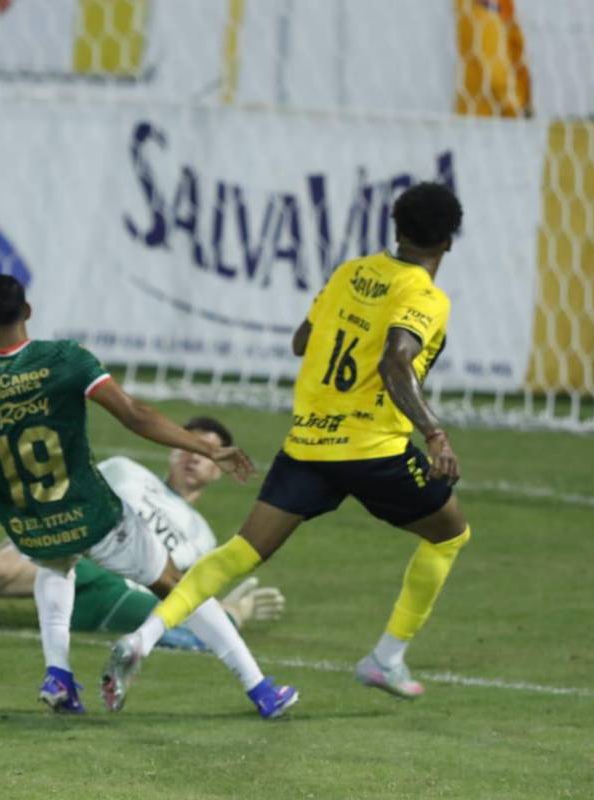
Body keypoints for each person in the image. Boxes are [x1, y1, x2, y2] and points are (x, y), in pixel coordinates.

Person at [104, 182, 470, 707]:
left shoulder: (351, 272)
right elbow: (396, 359)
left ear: (396, 228)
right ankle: (385, 658)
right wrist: (433, 431)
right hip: (373, 450)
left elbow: (303, 341)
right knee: (449, 535)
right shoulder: (426, 296)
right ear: (448, 242)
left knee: (240, 552)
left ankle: (145, 635)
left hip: (308, 444)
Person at [0, 274, 298, 718]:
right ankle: (261, 688)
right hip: (93, 514)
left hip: (29, 520)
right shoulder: (64, 359)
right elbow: (135, 415)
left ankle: (59, 676)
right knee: (179, 587)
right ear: (28, 312)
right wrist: (209, 448)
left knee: (56, 565)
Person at [0, 428, 286, 647]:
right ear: (173, 450)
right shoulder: (126, 470)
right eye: (190, 444)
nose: (194, 457)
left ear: (219, 471)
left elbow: (182, 585)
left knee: (189, 622)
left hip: (119, 595)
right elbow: (61, 508)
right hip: (82, 557)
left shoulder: (201, 534)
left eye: (207, 452)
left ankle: (209, 629)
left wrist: (228, 609)